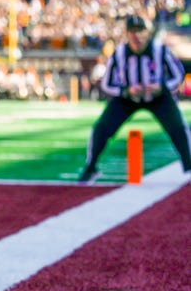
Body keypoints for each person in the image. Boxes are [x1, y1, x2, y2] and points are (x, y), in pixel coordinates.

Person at [79, 15, 191, 183]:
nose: (136, 35)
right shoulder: (120, 53)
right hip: (127, 98)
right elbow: (107, 83)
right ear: (127, 33)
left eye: (140, 31)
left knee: (178, 128)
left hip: (159, 98)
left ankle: (189, 166)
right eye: (132, 31)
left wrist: (161, 87)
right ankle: (91, 167)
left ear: (147, 32)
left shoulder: (160, 50)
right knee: (102, 128)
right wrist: (126, 91)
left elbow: (178, 74)